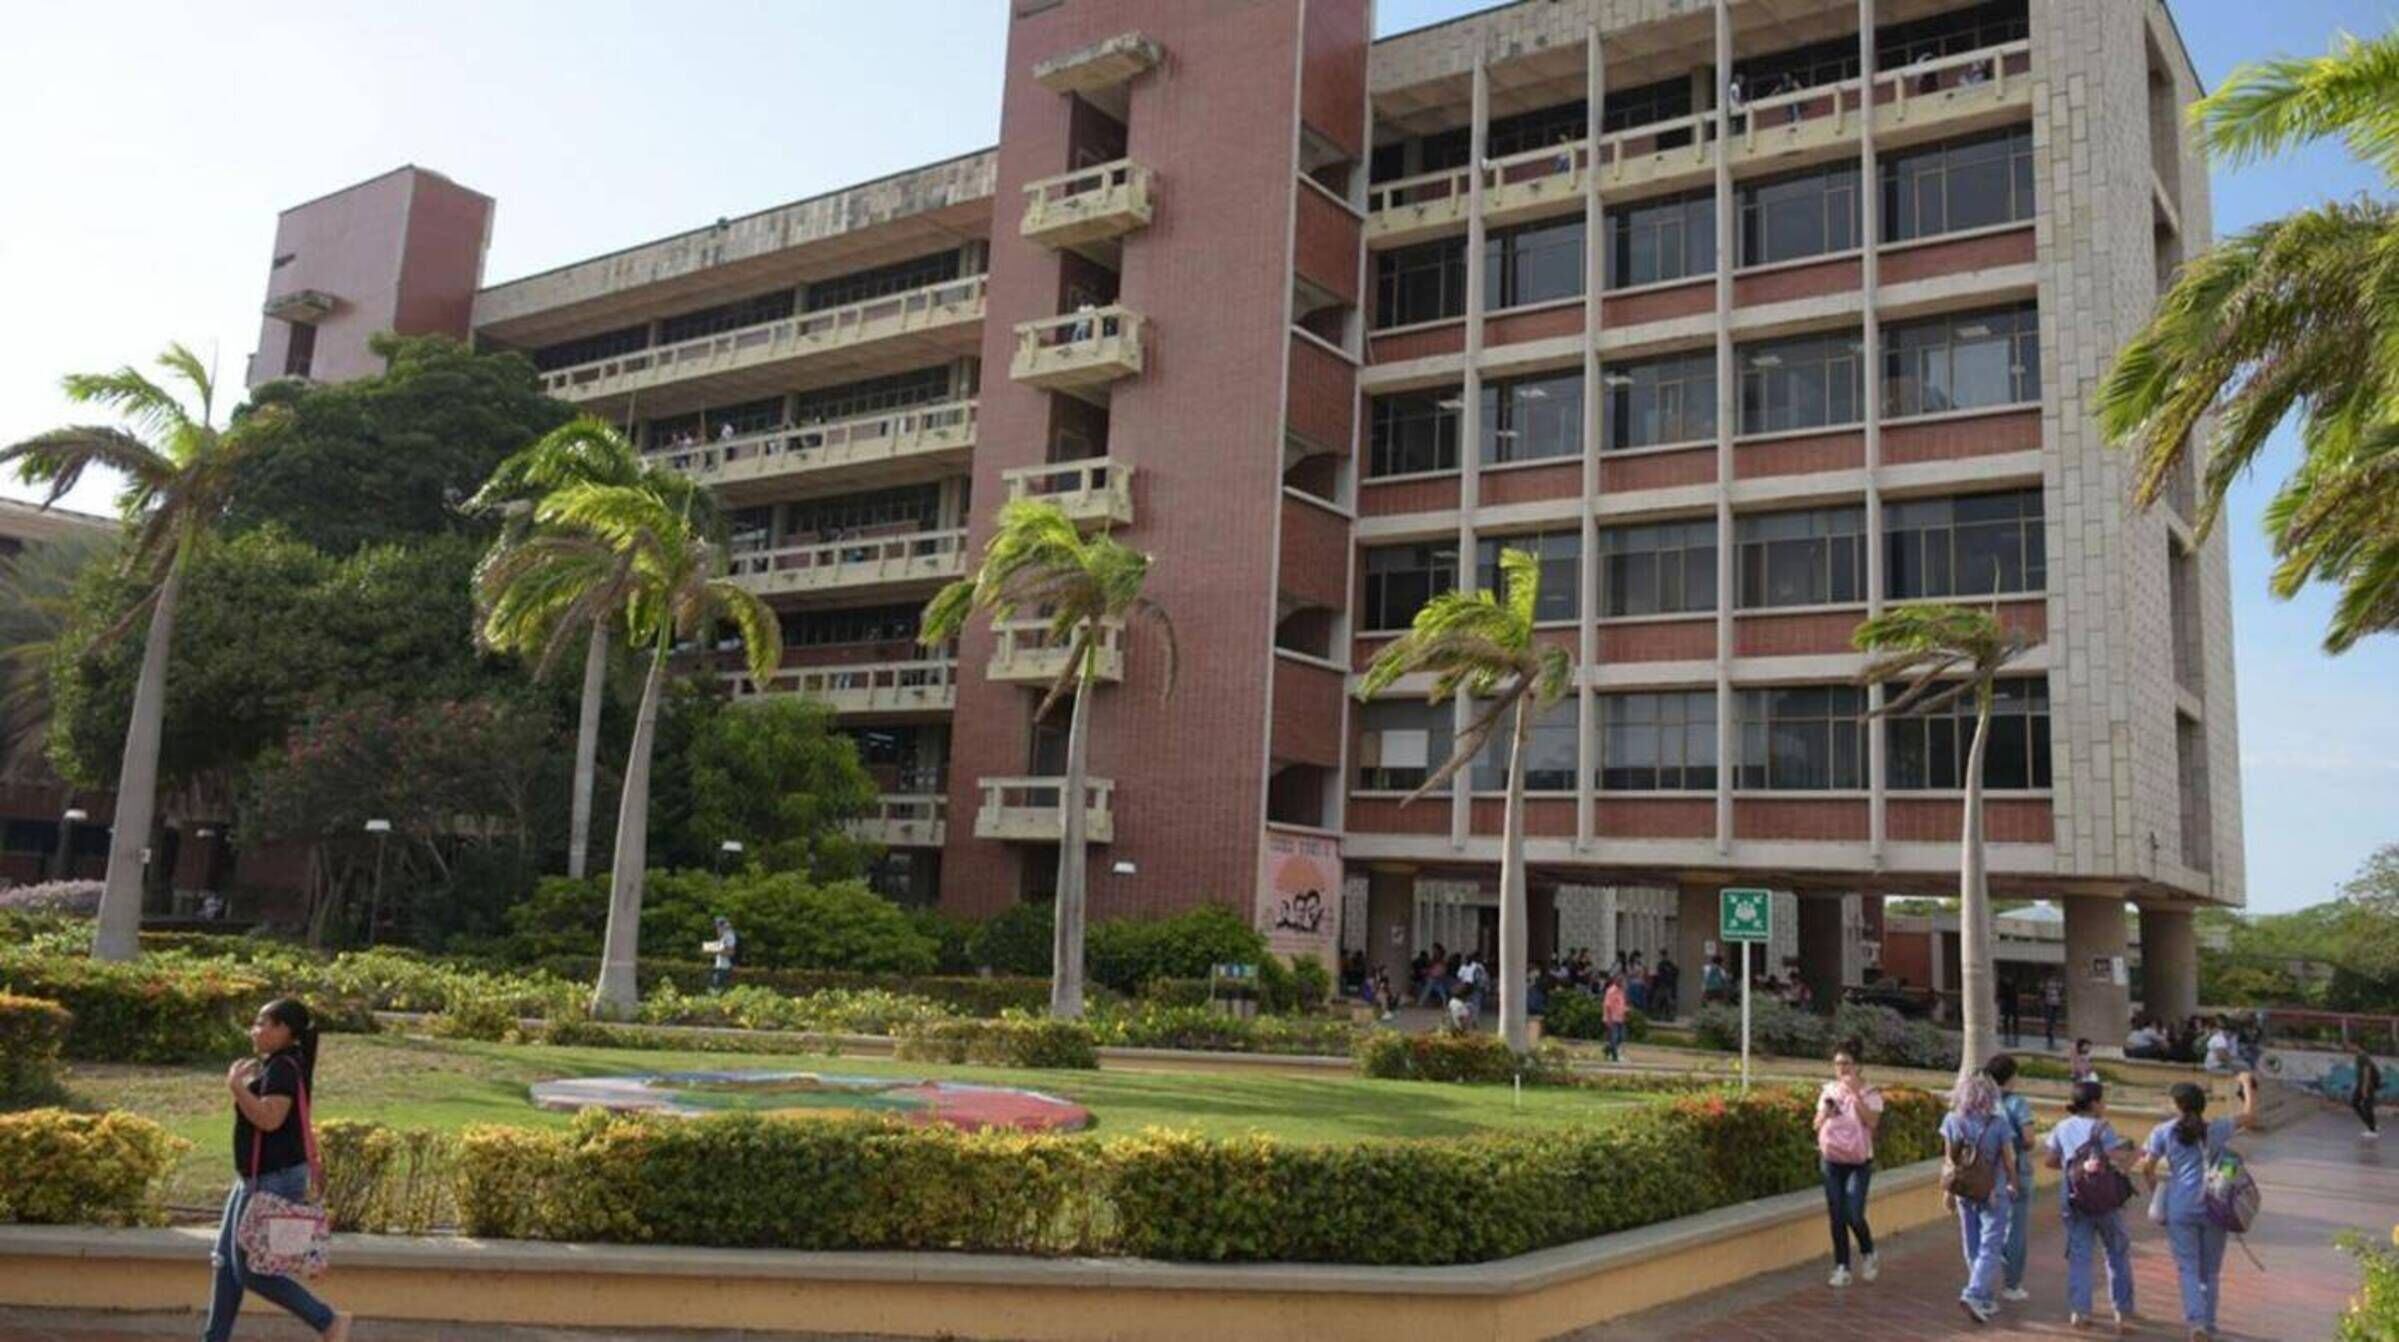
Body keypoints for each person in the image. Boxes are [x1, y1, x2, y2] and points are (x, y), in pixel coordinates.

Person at [206, 999, 350, 1342]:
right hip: (253, 1179)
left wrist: (237, 1088)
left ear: (284, 1030)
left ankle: (327, 1320)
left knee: (253, 1271)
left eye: (263, 1023)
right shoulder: (279, 1064)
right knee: (226, 1264)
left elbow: (270, 1119)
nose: (255, 1030)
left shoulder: (284, 1067)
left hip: (272, 1181)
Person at [2138, 1072, 2258, 1341]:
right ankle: (2211, 1324)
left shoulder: (2163, 1131)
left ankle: (2196, 1323)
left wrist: (2157, 1191)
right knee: (2211, 1271)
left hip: (2180, 1206)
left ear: (2177, 1105)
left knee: (2188, 1268)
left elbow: (2147, 1168)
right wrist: (2247, 1085)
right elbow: (2250, 1116)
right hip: (2215, 1205)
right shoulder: (2216, 1128)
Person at [2043, 1080, 2139, 1331]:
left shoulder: (2062, 1127)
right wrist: (2135, 1155)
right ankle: (2123, 1312)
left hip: (2074, 1199)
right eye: (2103, 1100)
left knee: (2080, 1256)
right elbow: (2118, 1162)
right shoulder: (2103, 1128)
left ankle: (2080, 1311)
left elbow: (2051, 1160)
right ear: (2095, 1103)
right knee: (2116, 1253)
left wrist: (2071, 1167)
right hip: (2106, 1201)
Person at [1941, 1072, 2020, 1324]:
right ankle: (1974, 1293)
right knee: (1991, 1245)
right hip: (1992, 1192)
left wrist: (1948, 1192)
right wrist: (2013, 1184)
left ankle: (1984, 1298)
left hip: (1964, 1189)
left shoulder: (1952, 1121)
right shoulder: (1998, 1124)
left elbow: (1949, 1161)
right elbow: (2009, 1160)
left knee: (1972, 1243)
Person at [1815, 1039, 1884, 1288]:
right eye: (1837, 1064)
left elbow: (1873, 1122)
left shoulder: (1871, 1093)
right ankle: (1842, 1266)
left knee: (1853, 1213)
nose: (1841, 1069)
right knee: (1836, 1214)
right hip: (1832, 1160)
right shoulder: (1829, 1090)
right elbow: (1816, 1124)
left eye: (1846, 1064)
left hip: (1858, 1161)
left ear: (1858, 1066)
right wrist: (1825, 1114)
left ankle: (1868, 1251)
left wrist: (1855, 1095)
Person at [1985, 1054, 2037, 1303]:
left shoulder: (1983, 1103)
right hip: (2017, 1172)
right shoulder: (2017, 1104)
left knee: (1988, 1229)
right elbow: (2029, 1139)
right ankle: (2012, 1284)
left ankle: (1982, 1283)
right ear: (2011, 1076)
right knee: (2015, 1229)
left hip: (1988, 1174)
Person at [2350, 1046, 2383, 1141]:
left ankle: (2373, 1131)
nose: (2348, 1047)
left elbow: (2366, 1071)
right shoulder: (2359, 1055)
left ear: (2355, 1044)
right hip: (2362, 1085)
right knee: (2354, 1103)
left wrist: (2364, 1087)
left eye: (2349, 1044)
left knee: (2367, 1106)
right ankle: (2372, 1125)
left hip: (2367, 1085)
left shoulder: (2363, 1056)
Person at [706, 916, 739, 991]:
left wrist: (714, 949)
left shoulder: (729, 936)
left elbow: (731, 952)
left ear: (722, 926)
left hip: (725, 969)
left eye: (717, 927)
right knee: (714, 989)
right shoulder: (724, 936)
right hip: (719, 967)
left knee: (717, 990)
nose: (716, 929)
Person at [1601, 974, 1629, 1062]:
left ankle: (1608, 1050)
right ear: (1619, 982)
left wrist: (1625, 1012)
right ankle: (1614, 1056)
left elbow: (1622, 1004)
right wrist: (1609, 1019)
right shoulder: (1611, 991)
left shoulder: (1621, 991)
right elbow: (1608, 1006)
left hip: (1620, 1018)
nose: (1625, 984)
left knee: (1621, 1037)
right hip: (1612, 1018)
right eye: (1624, 982)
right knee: (1614, 1037)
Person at [1652, 951, 1680, 1020]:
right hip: (1663, 985)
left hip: (1666, 985)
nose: (1662, 957)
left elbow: (1676, 972)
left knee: (1667, 1002)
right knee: (1660, 1001)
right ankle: (1660, 1016)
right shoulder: (1663, 964)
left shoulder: (1668, 964)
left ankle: (1669, 1017)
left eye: (1662, 956)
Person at [2041, 974, 2064, 1049]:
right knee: (2049, 1021)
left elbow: (2061, 991)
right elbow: (2043, 991)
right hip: (2049, 1004)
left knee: (2052, 1021)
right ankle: (2049, 1036)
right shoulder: (2047, 982)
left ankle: (2050, 1036)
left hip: (2055, 1004)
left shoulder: (2058, 983)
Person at [1997, 977, 2021, 1048]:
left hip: (2014, 1005)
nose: (2008, 980)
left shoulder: (2014, 986)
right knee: (2006, 1020)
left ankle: (2015, 1037)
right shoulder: (2003, 986)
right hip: (2007, 1005)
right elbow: (2000, 995)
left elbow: (2016, 995)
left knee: (2015, 1021)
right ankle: (2007, 1036)